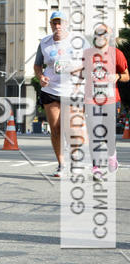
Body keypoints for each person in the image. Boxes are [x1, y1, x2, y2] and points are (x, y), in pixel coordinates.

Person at [33, 11, 86, 178]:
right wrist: (41, 77)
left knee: (72, 128)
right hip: (51, 90)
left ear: (66, 24)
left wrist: (75, 74)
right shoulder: (45, 43)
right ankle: (61, 164)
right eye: (54, 23)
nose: (57, 26)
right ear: (50, 25)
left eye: (60, 23)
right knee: (55, 128)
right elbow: (37, 66)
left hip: (73, 90)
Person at [84, 24, 129, 174]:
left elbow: (127, 76)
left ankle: (112, 156)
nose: (102, 37)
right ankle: (95, 166)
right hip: (92, 99)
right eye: (99, 34)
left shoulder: (116, 54)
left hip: (111, 99)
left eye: (105, 34)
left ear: (109, 37)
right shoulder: (87, 53)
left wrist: (117, 76)